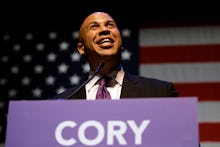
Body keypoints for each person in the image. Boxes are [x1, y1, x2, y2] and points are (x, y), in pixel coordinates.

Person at [53, 11, 178, 100]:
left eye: (110, 25)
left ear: (121, 43)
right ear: (81, 48)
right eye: (94, 26)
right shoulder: (62, 103)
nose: (104, 30)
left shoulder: (160, 92)